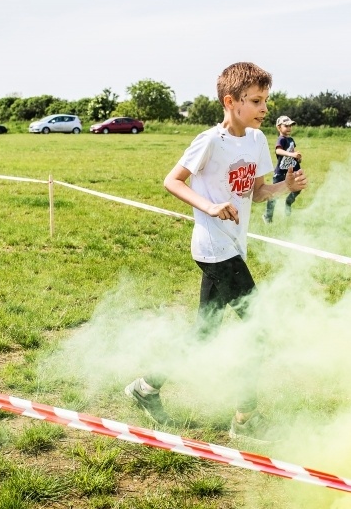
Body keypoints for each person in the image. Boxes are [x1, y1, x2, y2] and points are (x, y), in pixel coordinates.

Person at [124, 62, 307, 441]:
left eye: (265, 101)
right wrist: (207, 207)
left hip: (234, 247)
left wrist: (284, 187)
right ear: (231, 101)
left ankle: (145, 386)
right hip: (213, 248)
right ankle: (245, 419)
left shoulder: (256, 141)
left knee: (203, 334)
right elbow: (172, 181)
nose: (264, 108)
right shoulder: (210, 141)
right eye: (256, 101)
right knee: (258, 330)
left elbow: (255, 192)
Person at [262, 115, 302, 223]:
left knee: (298, 187)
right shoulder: (281, 139)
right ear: (279, 127)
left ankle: (288, 202)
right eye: (286, 126)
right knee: (274, 195)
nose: (289, 128)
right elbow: (278, 151)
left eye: (290, 126)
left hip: (291, 171)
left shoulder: (291, 140)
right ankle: (268, 217)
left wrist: (297, 158)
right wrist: (292, 154)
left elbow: (291, 151)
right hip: (280, 173)